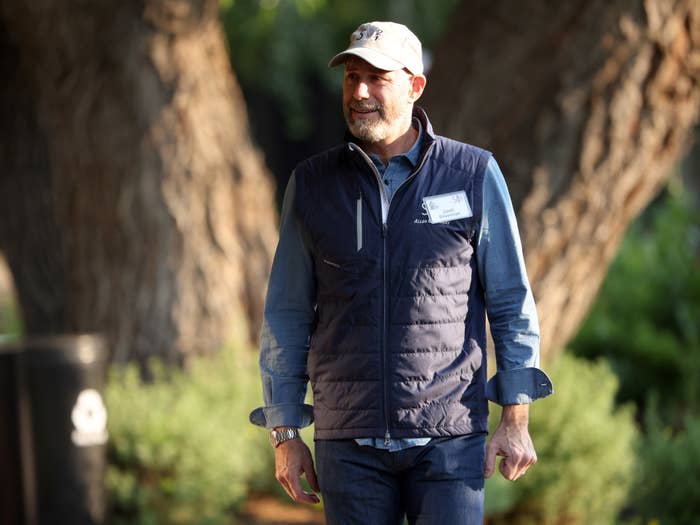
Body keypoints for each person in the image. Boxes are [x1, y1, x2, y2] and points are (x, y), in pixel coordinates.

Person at [249, 20, 553, 525]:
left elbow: (509, 300)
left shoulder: (472, 173)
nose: (360, 91)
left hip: (450, 439)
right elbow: (286, 314)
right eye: (351, 77)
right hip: (348, 445)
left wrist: (516, 417)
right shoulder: (312, 185)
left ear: (415, 86)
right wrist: (285, 435)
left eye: (377, 78)